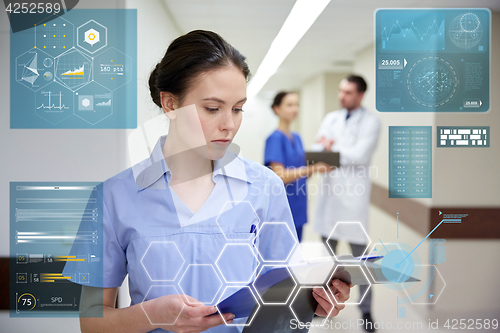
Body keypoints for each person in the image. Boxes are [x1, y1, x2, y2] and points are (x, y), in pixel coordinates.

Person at [63, 30, 351, 333]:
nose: (229, 125)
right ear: (171, 105)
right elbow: (91, 322)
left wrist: (317, 302)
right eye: (212, 109)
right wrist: (153, 314)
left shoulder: (264, 187)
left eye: (238, 109)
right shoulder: (112, 197)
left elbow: (285, 301)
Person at [312, 75, 381, 332]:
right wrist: (329, 149)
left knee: (361, 265)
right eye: (341, 91)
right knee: (326, 263)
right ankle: (322, 305)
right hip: (330, 201)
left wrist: (331, 147)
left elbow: (360, 155)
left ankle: (366, 313)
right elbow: (315, 148)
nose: (342, 96)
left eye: (348, 92)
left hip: (353, 203)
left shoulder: (372, 122)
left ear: (360, 95)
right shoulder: (331, 118)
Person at [264, 92, 330, 242]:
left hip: (299, 205)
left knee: (297, 253)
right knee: (283, 257)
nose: (295, 109)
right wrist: (313, 168)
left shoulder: (297, 137)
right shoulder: (274, 139)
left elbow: (302, 173)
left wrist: (320, 161)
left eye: (296, 105)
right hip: (283, 207)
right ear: (276, 109)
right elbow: (279, 176)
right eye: (289, 105)